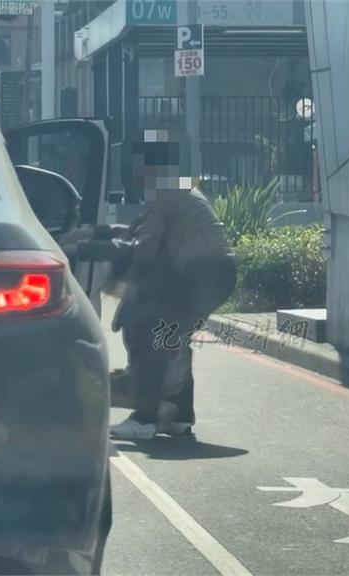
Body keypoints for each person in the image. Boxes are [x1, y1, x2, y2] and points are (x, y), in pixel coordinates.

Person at [74, 134, 236, 440]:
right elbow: (137, 229)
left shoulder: (165, 191)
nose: (135, 175)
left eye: (139, 167)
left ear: (152, 167)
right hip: (219, 273)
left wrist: (121, 272)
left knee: (153, 336)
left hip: (199, 274)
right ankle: (179, 416)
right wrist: (92, 235)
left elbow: (145, 246)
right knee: (171, 338)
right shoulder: (181, 187)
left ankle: (145, 419)